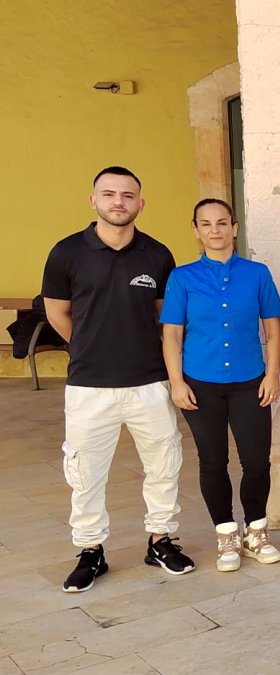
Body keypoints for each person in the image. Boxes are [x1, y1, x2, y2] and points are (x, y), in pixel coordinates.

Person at [43, 166, 195, 592]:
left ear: (140, 204)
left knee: (163, 463)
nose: (118, 202)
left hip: (149, 381)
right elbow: (57, 312)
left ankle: (160, 540)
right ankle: (91, 549)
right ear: (93, 200)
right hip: (89, 385)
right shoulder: (67, 253)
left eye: (128, 195)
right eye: (109, 194)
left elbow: (166, 318)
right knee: (85, 471)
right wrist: (88, 347)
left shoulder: (157, 255)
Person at [161, 199, 280, 572]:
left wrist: (272, 375)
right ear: (196, 230)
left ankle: (256, 532)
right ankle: (226, 534)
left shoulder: (257, 274)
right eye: (206, 223)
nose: (214, 230)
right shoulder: (182, 278)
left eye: (221, 222)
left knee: (256, 461)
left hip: (250, 382)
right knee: (213, 461)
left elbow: (273, 332)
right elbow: (172, 335)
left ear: (234, 227)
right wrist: (176, 382)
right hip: (201, 384)